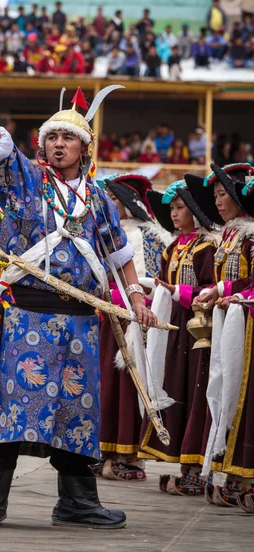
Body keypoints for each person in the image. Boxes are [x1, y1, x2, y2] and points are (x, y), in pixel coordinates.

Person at [0, 57, 157, 530]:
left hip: (81, 320)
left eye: (68, 137)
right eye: (52, 137)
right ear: (42, 145)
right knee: (19, 407)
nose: (59, 144)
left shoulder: (97, 198)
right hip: (28, 318)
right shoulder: (25, 181)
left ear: (84, 147)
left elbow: (119, 254)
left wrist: (136, 296)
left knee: (76, 412)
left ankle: (77, 502)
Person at [140, 179, 219, 495]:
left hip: (199, 330)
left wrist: (179, 292)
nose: (173, 214)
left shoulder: (207, 247)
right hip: (173, 332)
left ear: (195, 212)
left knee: (197, 392)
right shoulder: (173, 246)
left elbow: (210, 288)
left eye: (179, 207)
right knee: (176, 388)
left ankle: (199, 467)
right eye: (171, 208)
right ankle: (185, 464)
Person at [185, 163, 254, 505]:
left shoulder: (251, 234)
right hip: (228, 325)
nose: (218, 202)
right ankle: (224, 468)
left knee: (243, 395)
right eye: (215, 196)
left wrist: (230, 292)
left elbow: (249, 281)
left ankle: (242, 472)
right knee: (221, 390)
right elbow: (229, 279)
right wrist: (216, 290)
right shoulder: (227, 235)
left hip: (247, 328)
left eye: (223, 194)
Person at [96, 175, 171, 480]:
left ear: (129, 203)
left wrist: (118, 296)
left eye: (115, 199)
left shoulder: (148, 236)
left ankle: (127, 455)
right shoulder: (102, 233)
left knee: (126, 388)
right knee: (102, 385)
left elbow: (151, 283)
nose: (110, 205)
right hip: (102, 318)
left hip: (132, 322)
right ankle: (99, 451)